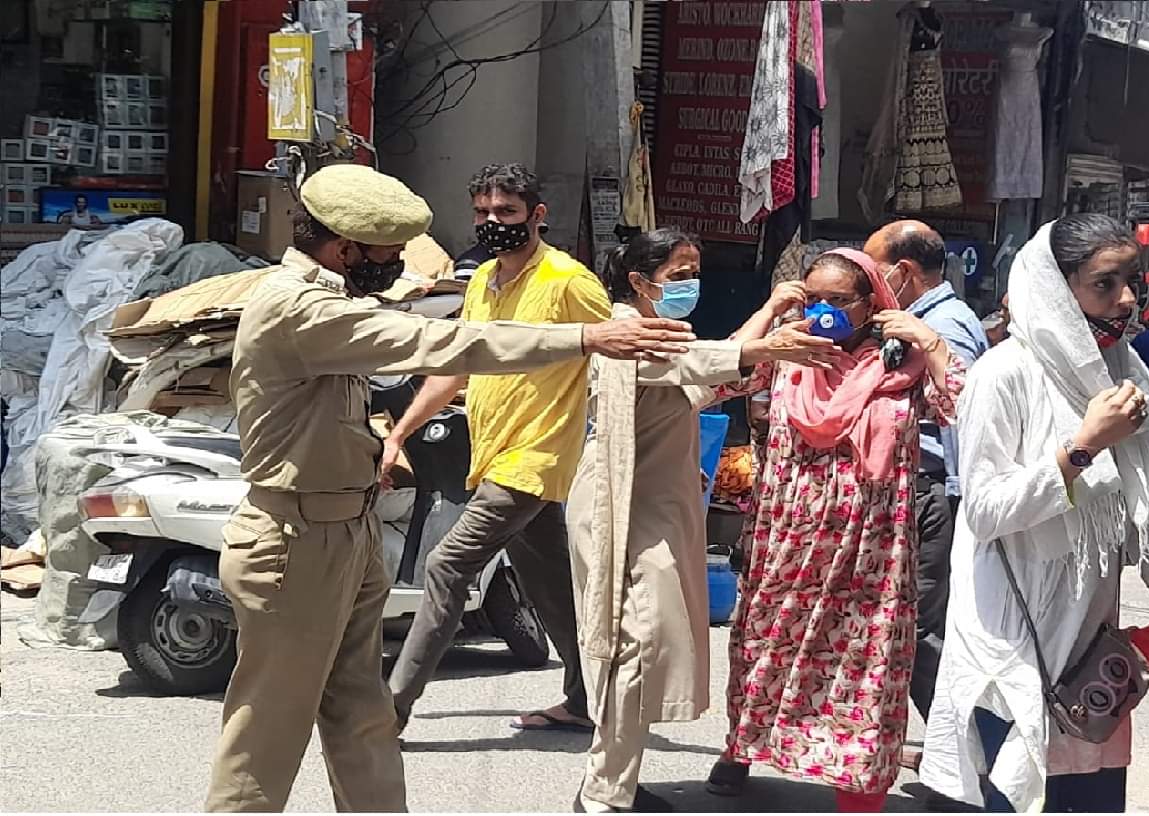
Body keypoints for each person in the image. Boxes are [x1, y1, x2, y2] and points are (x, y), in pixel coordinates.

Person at [204, 163, 696, 813]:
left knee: (364, 716)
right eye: (388, 251)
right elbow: (438, 342)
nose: (396, 261)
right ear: (345, 246)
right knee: (269, 727)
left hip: (347, 531)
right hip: (294, 542)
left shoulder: (338, 297)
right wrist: (587, 335)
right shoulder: (299, 307)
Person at [920, 214, 1149, 813]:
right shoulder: (1003, 374)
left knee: (1090, 794)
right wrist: (1084, 446)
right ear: (1056, 285)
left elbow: (1145, 506)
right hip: (1012, 644)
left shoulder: (1123, 369)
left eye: (1133, 282)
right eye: (1105, 283)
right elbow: (988, 510)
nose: (1126, 299)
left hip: (1091, 648)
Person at [568, 229, 841, 813]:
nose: (690, 285)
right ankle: (604, 792)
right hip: (618, 507)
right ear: (641, 282)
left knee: (640, 650)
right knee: (637, 647)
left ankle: (615, 779)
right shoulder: (625, 332)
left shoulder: (667, 336)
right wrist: (769, 345)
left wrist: (766, 318)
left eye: (695, 271)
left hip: (656, 507)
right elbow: (698, 363)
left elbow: (706, 373)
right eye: (678, 274)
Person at [706, 248, 965, 812]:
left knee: (865, 661)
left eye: (839, 300)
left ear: (872, 302)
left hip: (871, 546)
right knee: (766, 649)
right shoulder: (788, 355)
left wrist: (931, 342)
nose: (824, 311)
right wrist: (772, 310)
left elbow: (962, 409)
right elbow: (715, 379)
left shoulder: (900, 364)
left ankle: (860, 786)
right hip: (788, 538)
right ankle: (741, 748)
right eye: (814, 297)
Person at [383, 163, 605, 734]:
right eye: (483, 213)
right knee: (550, 581)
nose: (492, 223)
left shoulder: (568, 280)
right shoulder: (482, 279)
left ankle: (388, 712)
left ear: (538, 215)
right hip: (493, 452)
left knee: (447, 564)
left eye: (506, 213)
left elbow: (616, 354)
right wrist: (401, 431)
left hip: (535, 457)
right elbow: (457, 364)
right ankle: (588, 700)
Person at [863, 221, 989, 748]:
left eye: (876, 271)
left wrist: (961, 501)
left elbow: (966, 415)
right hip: (920, 491)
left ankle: (965, 756)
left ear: (904, 271)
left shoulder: (944, 328)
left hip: (931, 492)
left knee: (917, 633)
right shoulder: (920, 319)